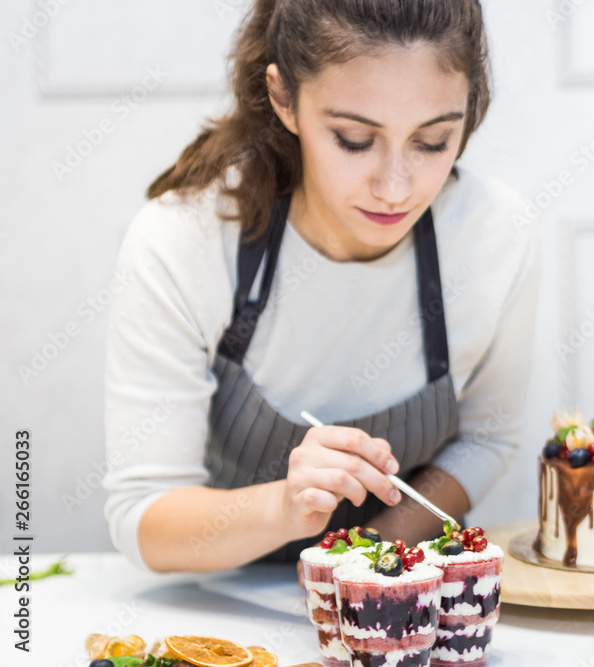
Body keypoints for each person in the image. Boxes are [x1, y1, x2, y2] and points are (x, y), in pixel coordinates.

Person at [102, 0, 538, 573]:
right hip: (225, 616)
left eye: (432, 141)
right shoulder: (184, 241)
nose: (394, 187)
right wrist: (285, 508)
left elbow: (487, 440)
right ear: (284, 99)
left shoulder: (494, 238)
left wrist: (362, 568)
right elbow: (142, 517)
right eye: (355, 138)